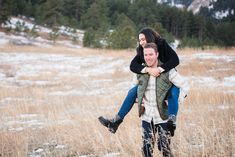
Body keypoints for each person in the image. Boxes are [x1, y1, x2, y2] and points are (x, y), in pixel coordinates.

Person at [98, 28, 182, 135]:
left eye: (143, 39)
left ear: (150, 37)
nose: (141, 42)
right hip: (152, 82)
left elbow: (175, 60)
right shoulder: (142, 50)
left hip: (168, 79)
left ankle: (171, 122)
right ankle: (116, 121)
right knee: (133, 91)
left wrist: (159, 69)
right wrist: (148, 70)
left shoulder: (161, 44)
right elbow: (133, 66)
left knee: (174, 92)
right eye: (140, 40)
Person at [138, 42, 188, 157]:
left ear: (157, 54)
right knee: (146, 149)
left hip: (163, 117)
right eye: (146, 55)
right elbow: (134, 87)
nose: (148, 57)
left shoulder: (168, 71)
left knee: (164, 149)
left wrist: (174, 101)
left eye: (151, 54)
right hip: (147, 117)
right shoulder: (141, 71)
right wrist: (138, 98)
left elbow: (185, 86)